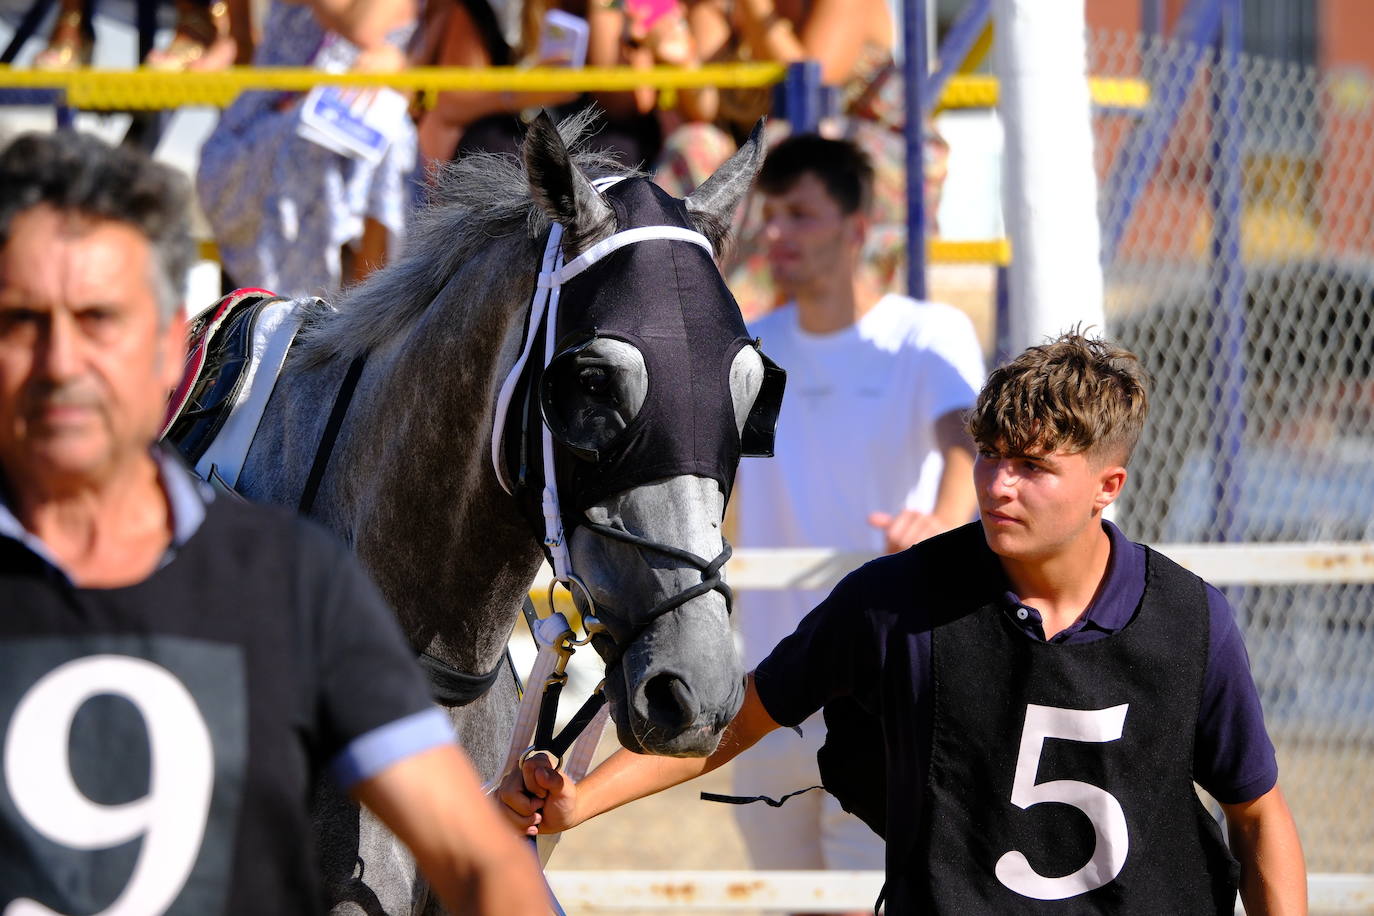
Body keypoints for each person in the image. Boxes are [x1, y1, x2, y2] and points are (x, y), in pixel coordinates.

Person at [501, 330, 1309, 915]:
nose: (998, 484)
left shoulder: (1189, 619)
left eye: (1032, 466)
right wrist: (581, 801)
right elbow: (744, 718)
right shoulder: (896, 601)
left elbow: (1258, 813)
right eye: (990, 453)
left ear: (1109, 485)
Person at [0, 131, 548, 915]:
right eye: (21, 319)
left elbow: (477, 859)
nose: (61, 362)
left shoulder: (294, 586)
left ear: (167, 348)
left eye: (99, 320)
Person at [723, 134, 982, 898]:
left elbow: (961, 433)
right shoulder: (759, 347)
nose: (777, 235)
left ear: (858, 228)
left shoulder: (923, 334)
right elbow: (726, 473)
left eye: (800, 215)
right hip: (768, 687)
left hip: (881, 687)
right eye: (770, 216)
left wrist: (940, 518)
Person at [195, 0, 418, 296]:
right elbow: (241, 43)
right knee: (315, 143)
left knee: (388, 143)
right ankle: (315, 315)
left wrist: (399, 65)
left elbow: (374, 36)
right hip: (268, 124)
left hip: (355, 132)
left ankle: (365, 318)